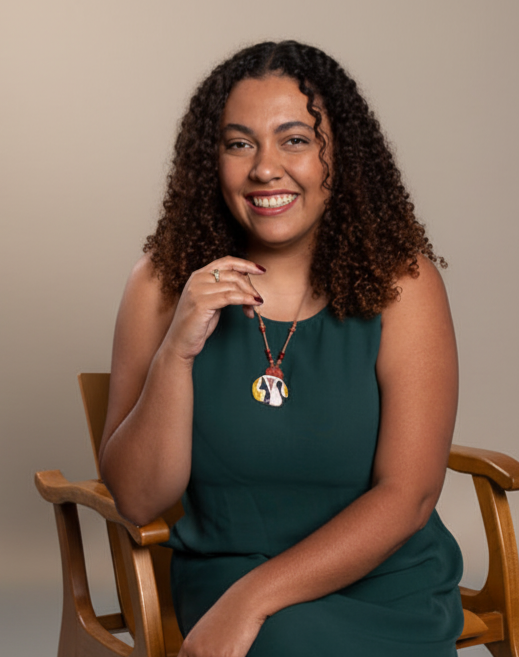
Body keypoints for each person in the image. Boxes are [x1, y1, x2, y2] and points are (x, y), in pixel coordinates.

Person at [98, 41, 463, 657]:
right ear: (210, 161)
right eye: (239, 144)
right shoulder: (160, 286)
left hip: (383, 580)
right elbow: (137, 500)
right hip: (227, 575)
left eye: (295, 140)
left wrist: (251, 602)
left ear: (339, 155)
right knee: (286, 643)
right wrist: (177, 352)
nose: (265, 169)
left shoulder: (403, 283)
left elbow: (409, 496)